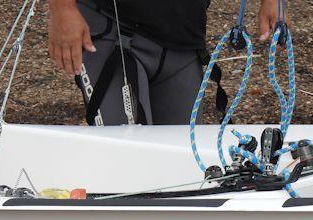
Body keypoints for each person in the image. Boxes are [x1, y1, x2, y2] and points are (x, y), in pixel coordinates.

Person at [47, 0, 288, 126]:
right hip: (112, 28)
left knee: (183, 167)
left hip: (183, 39)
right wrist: (62, 8)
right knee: (125, 160)